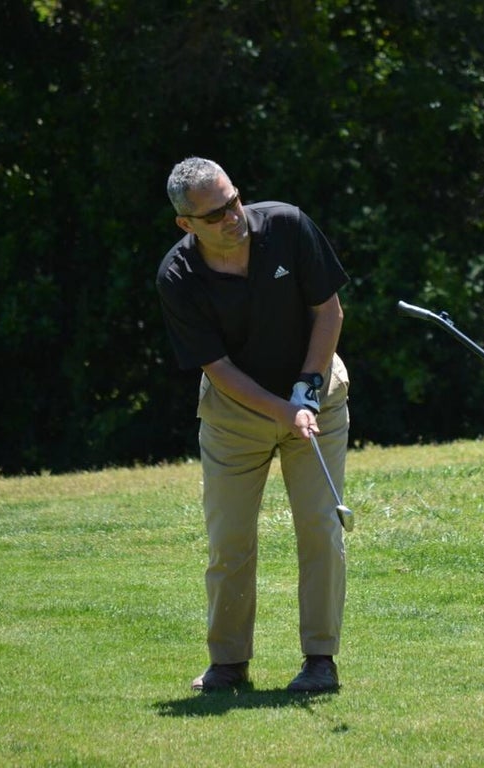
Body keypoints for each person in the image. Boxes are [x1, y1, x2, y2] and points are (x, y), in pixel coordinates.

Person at [157, 157, 352, 692]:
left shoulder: (287, 226)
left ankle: (319, 660)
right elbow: (216, 370)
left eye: (234, 200)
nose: (232, 216)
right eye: (215, 213)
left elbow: (329, 312)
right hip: (233, 416)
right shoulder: (178, 276)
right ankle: (228, 663)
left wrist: (306, 392)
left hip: (317, 400)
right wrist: (283, 409)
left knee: (320, 528)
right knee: (230, 538)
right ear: (187, 225)